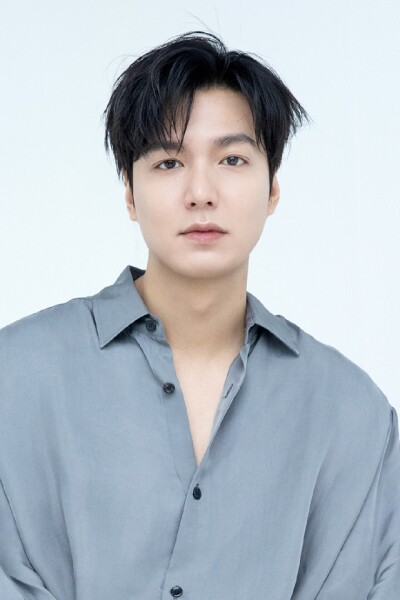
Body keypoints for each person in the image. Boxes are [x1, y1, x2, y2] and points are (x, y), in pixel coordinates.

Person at [0, 31, 399, 600]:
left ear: (272, 188)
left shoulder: (351, 412)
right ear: (130, 193)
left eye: (232, 159)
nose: (201, 192)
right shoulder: (15, 378)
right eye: (169, 161)